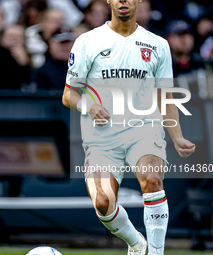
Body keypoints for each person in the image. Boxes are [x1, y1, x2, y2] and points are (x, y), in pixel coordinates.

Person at [62, 0, 196, 254]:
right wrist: (88, 107)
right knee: (103, 203)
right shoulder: (88, 41)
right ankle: (136, 243)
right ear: (109, 1)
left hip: (144, 128)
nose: (124, 1)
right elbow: (69, 95)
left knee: (153, 179)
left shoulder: (158, 45)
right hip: (101, 136)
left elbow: (165, 96)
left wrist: (177, 137)